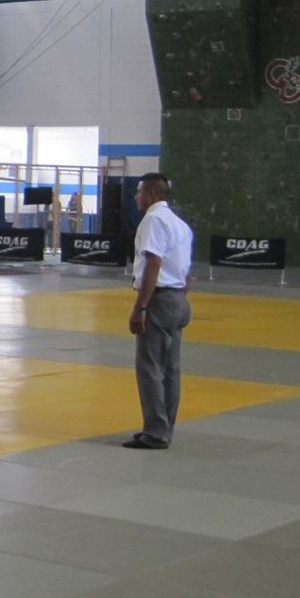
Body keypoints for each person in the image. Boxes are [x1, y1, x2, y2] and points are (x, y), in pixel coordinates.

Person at [125, 173, 193, 450]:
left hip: (159, 299)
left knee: (150, 368)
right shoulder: (180, 224)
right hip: (178, 298)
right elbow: (187, 270)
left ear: (151, 194)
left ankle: (155, 431)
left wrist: (141, 305)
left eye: (139, 191)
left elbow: (153, 262)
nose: (136, 197)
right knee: (170, 369)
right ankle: (165, 427)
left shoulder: (153, 221)